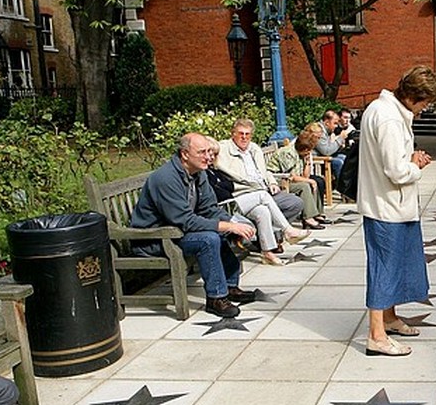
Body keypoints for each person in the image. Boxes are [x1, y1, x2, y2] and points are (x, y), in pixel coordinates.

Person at [130, 133, 259, 318]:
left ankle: (230, 287)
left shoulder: (199, 173)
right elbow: (184, 220)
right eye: (202, 152)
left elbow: (209, 208)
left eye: (209, 151)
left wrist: (233, 224)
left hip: (178, 233)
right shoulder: (166, 178)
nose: (208, 156)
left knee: (223, 231)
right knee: (209, 238)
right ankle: (216, 298)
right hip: (154, 239)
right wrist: (226, 226)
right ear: (185, 154)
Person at [358, 65, 436, 356]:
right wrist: (415, 166)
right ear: (413, 96)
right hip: (387, 206)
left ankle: (389, 319)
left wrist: (409, 157)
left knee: (393, 266)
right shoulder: (390, 119)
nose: (424, 109)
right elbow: (395, 171)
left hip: (390, 204)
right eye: (425, 104)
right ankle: (376, 335)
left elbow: (389, 159)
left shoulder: (381, 108)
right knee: (383, 268)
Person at [216, 119, 309, 265]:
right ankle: (286, 231)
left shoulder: (254, 149)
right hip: (241, 196)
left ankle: (267, 252)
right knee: (263, 198)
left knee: (270, 209)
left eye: (248, 134)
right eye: (240, 133)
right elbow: (208, 146)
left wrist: (272, 182)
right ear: (233, 134)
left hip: (262, 192)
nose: (244, 137)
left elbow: (265, 171)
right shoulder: (223, 148)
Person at [266, 123, 329, 229]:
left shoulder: (301, 154)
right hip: (278, 180)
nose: (309, 152)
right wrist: (309, 181)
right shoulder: (288, 153)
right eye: (308, 150)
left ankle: (316, 214)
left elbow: (305, 175)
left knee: (314, 182)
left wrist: (307, 162)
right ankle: (308, 218)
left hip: (288, 179)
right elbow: (292, 176)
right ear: (303, 148)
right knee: (304, 185)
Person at [316, 110, 346, 179]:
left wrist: (340, 144)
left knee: (344, 157)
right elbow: (326, 151)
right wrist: (340, 139)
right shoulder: (319, 131)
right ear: (327, 122)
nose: (336, 126)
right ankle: (342, 187)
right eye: (335, 123)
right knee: (338, 162)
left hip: (324, 157)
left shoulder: (327, 131)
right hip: (317, 161)